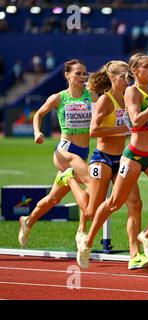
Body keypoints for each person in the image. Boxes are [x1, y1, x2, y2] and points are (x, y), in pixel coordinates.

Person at [76, 53, 148, 269]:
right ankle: (87, 240)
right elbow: (135, 121)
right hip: (132, 156)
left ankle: (147, 236)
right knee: (113, 203)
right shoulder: (132, 92)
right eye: (145, 67)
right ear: (135, 71)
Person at [18, 59, 96, 248]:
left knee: (54, 198)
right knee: (91, 184)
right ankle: (81, 231)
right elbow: (38, 114)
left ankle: (27, 221)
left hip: (82, 152)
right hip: (65, 151)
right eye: (77, 73)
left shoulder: (91, 96)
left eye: (84, 73)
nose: (82, 76)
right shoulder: (59, 97)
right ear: (67, 75)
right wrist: (37, 132)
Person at [84, 60, 148, 269]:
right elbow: (93, 131)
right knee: (93, 208)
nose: (126, 80)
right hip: (102, 158)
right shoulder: (105, 100)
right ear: (112, 78)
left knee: (135, 204)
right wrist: (120, 131)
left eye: (128, 76)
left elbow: (137, 123)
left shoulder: (130, 98)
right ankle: (86, 240)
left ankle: (134, 253)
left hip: (123, 158)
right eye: (122, 76)